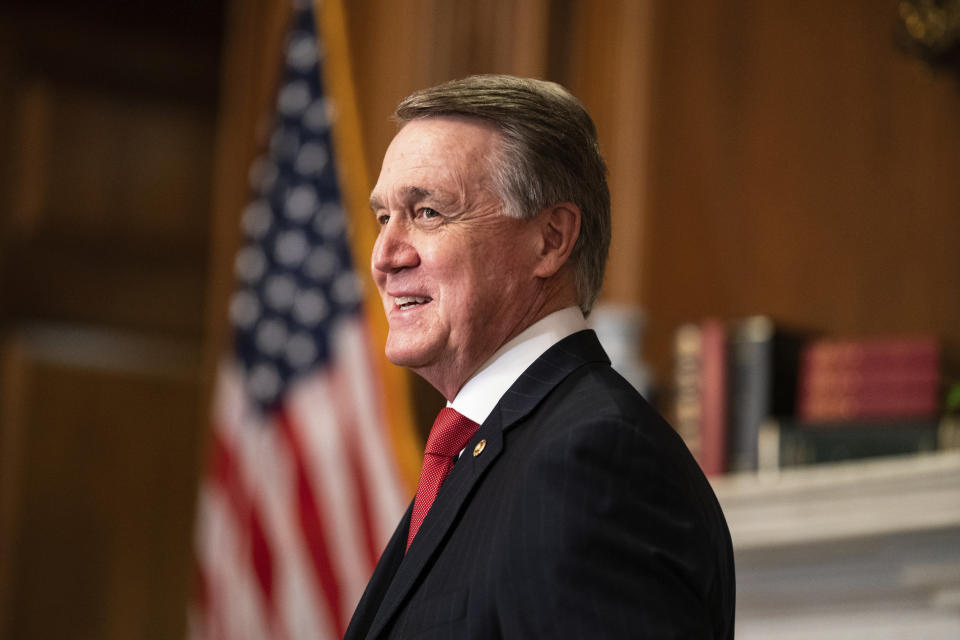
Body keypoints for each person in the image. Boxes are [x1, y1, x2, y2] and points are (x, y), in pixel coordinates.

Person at [346, 75, 735, 639]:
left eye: (427, 212)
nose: (385, 255)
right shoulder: (485, 448)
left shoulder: (592, 456)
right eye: (384, 217)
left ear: (551, 239)